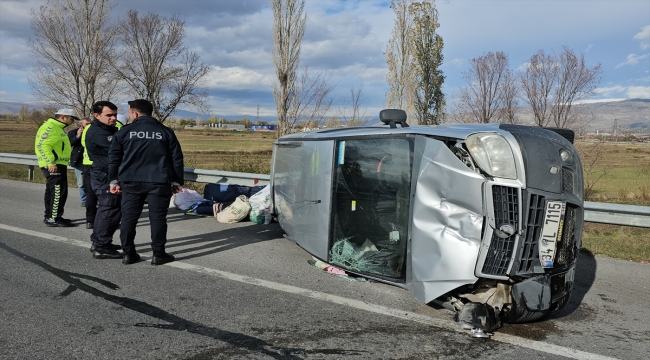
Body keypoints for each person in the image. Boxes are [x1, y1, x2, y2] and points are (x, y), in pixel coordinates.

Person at [108, 99, 184, 265]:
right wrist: (177, 181)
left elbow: (114, 158)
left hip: (130, 181)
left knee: (129, 218)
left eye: (129, 112)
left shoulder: (124, 132)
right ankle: (158, 254)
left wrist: (113, 180)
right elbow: (176, 159)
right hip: (159, 181)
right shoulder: (165, 131)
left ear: (135, 113)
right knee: (157, 219)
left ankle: (128, 253)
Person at [85, 101, 123, 259]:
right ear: (97, 115)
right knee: (109, 210)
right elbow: (118, 151)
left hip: (108, 174)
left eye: (114, 114)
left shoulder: (108, 129)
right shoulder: (99, 133)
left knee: (110, 210)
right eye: (109, 115)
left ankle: (100, 241)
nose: (113, 118)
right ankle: (101, 245)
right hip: (104, 176)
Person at [35, 109, 78, 227]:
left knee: (52, 191)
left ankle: (51, 216)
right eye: (71, 118)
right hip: (54, 165)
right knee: (58, 192)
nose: (72, 121)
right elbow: (42, 146)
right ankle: (53, 218)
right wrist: (50, 162)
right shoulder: (50, 127)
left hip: (58, 164)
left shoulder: (57, 128)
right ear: (63, 117)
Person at [67, 117, 90, 207]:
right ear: (81, 124)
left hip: (90, 160)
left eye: (90, 123)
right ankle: (84, 199)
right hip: (79, 160)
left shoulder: (93, 132)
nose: (89, 125)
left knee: (92, 181)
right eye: (86, 124)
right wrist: (77, 136)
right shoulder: (73, 132)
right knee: (81, 182)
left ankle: (92, 199)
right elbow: (69, 144)